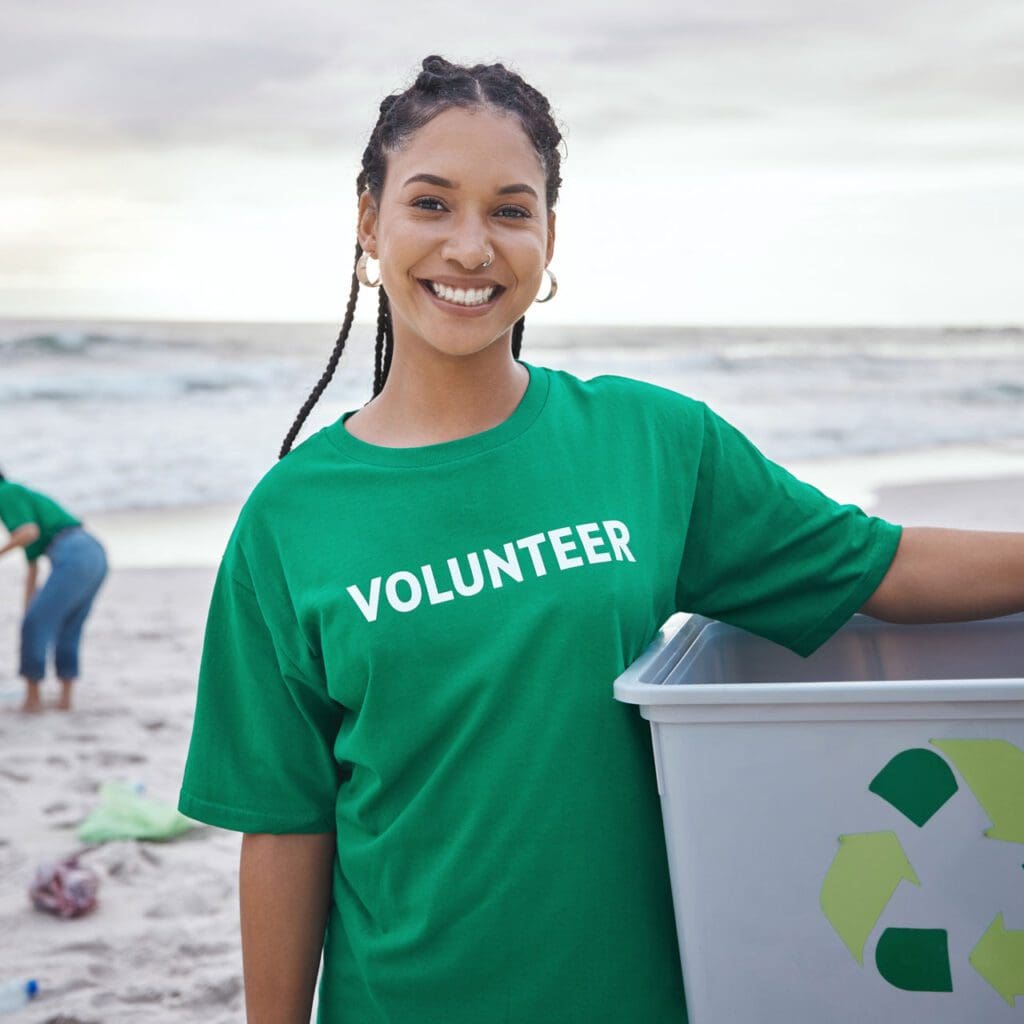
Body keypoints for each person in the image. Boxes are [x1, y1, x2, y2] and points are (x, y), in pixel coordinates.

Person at [177, 55, 1024, 1024]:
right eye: (430, 204)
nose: (469, 246)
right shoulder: (290, 516)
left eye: (508, 209)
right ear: (368, 223)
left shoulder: (650, 443)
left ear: (546, 239)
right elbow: (287, 825)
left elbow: (880, 564)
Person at [0, 471, 108, 713]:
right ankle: (65, 700)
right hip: (95, 552)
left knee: (38, 624)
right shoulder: (21, 495)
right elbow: (32, 568)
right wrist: (28, 612)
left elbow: (28, 533)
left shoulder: (5, 492)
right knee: (69, 625)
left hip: (74, 553)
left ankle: (32, 700)